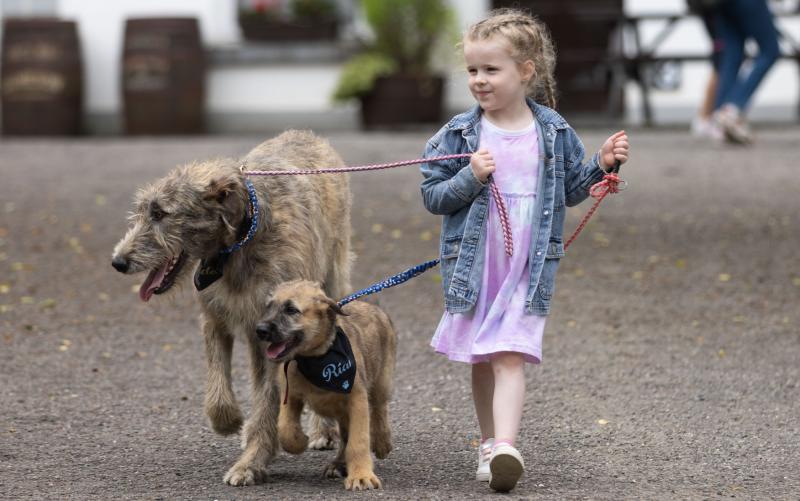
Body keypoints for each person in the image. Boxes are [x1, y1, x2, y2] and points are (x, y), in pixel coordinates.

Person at [419, 8, 630, 493]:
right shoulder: (458, 135)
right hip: (476, 264)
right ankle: (488, 443)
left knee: (508, 354)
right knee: (483, 356)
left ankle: (505, 447)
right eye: (473, 70)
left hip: (526, 267)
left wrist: (599, 163)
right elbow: (433, 197)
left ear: (526, 72)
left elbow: (573, 189)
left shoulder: (551, 131)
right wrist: (470, 176)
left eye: (491, 70)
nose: (479, 80)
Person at [712, 0, 780, 143]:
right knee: (770, 50)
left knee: (732, 54)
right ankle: (732, 107)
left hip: (721, 4)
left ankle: (721, 114)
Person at [687, 0, 724, 141]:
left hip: (710, 8)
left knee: (722, 58)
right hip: (713, 8)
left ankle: (706, 115)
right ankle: (707, 116)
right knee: (722, 59)